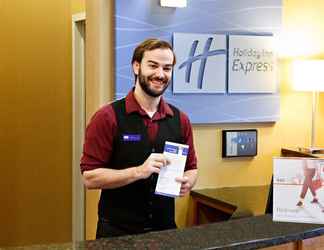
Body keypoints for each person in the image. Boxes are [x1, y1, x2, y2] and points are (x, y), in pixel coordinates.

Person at [80, 38, 198, 238]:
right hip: (117, 234)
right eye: (153, 66)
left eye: (167, 68)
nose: (160, 74)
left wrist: (188, 181)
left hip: (165, 232)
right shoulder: (107, 117)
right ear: (136, 66)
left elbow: (192, 168)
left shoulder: (181, 120)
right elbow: (90, 177)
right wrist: (138, 172)